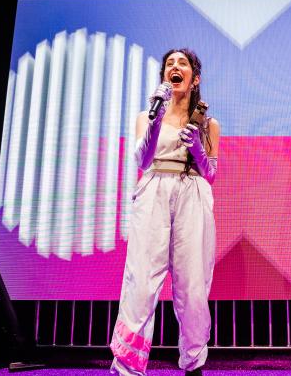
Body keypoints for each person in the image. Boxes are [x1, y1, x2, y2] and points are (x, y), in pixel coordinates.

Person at [110, 48, 220, 376]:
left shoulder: (208, 123)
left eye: (181, 63)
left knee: (192, 282)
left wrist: (197, 147)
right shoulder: (146, 117)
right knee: (141, 279)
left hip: (193, 193)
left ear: (194, 78)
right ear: (164, 77)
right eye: (169, 64)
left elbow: (210, 173)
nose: (174, 67)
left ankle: (193, 361)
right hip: (154, 189)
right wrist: (155, 124)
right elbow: (142, 161)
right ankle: (127, 365)